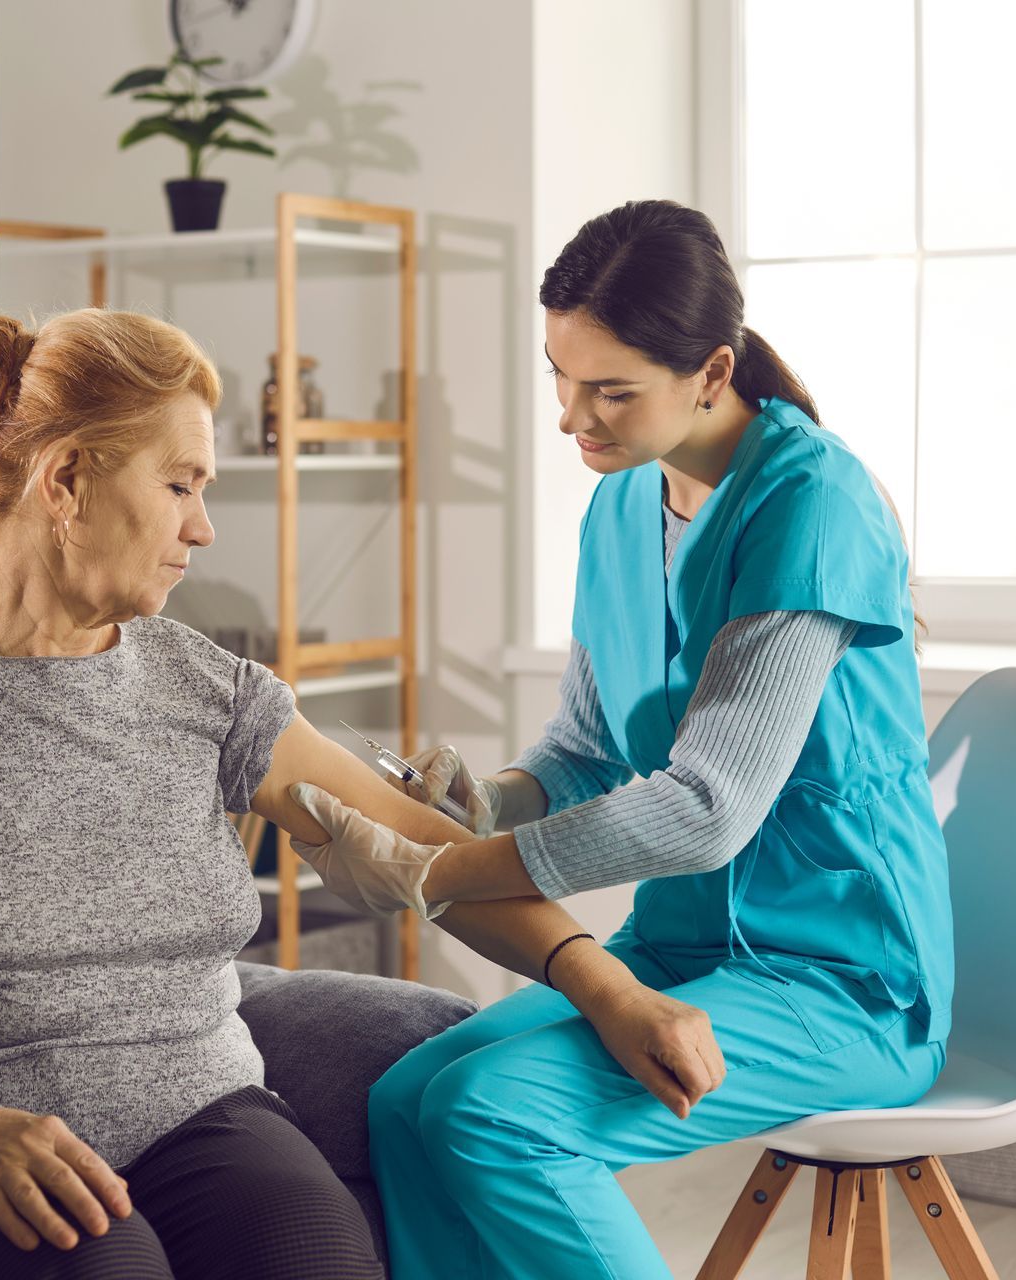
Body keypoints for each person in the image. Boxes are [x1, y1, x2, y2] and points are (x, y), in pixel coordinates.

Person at [0, 307, 722, 1280]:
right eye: (182, 484)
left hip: (191, 1106)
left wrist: (611, 988)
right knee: (106, 1261)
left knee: (314, 1252)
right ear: (67, 480)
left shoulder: (205, 686)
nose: (204, 526)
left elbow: (429, 854)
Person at [288, 200, 956, 1278]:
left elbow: (710, 805)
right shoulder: (620, 504)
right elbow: (591, 747)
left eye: (609, 391)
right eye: (558, 374)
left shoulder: (812, 502)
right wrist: (487, 800)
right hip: (685, 949)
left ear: (710, 371)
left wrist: (441, 869)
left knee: (496, 1116)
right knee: (407, 1098)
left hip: (843, 980)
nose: (570, 417)